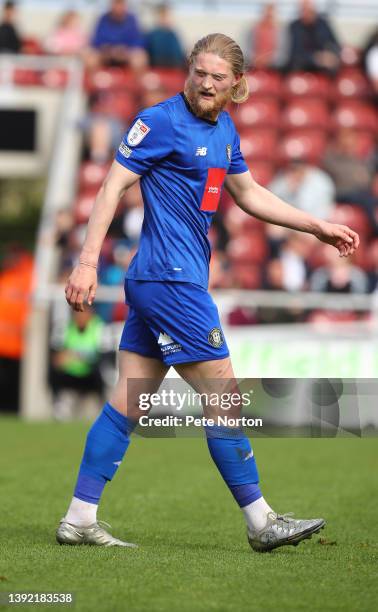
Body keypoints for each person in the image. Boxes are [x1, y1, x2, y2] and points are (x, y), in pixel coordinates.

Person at [57, 33, 359, 552]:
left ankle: (80, 518)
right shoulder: (160, 121)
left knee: (128, 403)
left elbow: (246, 192)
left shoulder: (223, 129)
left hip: (168, 281)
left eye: (218, 77)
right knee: (224, 395)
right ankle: (262, 521)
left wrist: (316, 225)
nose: (206, 83)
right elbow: (111, 186)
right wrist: (87, 262)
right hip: (168, 279)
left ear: (236, 84)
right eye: (200, 72)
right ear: (189, 72)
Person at [86, 0, 147, 71]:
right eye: (116, 4)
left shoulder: (132, 19)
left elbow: (138, 41)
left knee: (139, 58)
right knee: (91, 58)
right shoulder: (103, 19)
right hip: (106, 53)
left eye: (120, 4)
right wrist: (108, 48)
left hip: (126, 53)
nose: (118, 8)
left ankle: (136, 82)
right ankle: (97, 81)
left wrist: (125, 50)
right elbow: (96, 41)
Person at [286, 0, 341, 73]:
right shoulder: (294, 27)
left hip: (324, 64)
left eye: (309, 10)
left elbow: (335, 44)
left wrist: (330, 55)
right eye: (303, 10)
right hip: (303, 65)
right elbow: (295, 53)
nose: (306, 13)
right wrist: (316, 58)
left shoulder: (323, 24)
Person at [145, 3, 186, 68]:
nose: (168, 19)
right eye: (164, 16)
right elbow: (153, 54)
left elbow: (180, 53)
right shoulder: (153, 34)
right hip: (161, 63)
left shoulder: (173, 34)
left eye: (169, 16)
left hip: (176, 63)